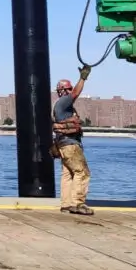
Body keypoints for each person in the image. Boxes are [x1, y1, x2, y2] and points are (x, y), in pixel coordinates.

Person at [51, 65, 94, 216]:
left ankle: (66, 204)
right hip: (70, 145)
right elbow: (76, 93)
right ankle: (78, 203)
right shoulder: (63, 103)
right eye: (67, 89)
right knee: (82, 172)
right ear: (62, 91)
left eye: (69, 89)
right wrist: (83, 78)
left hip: (63, 146)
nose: (70, 92)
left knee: (68, 174)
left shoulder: (59, 106)